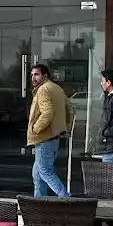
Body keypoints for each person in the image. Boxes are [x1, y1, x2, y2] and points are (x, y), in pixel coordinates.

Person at [27, 63, 73, 198]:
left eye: (37, 74)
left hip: (44, 138)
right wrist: (65, 127)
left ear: (45, 76)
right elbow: (69, 109)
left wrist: (36, 129)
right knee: (37, 173)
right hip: (53, 137)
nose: (33, 78)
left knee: (45, 172)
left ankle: (66, 198)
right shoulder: (57, 88)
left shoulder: (43, 90)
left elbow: (47, 113)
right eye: (32, 75)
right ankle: (38, 203)